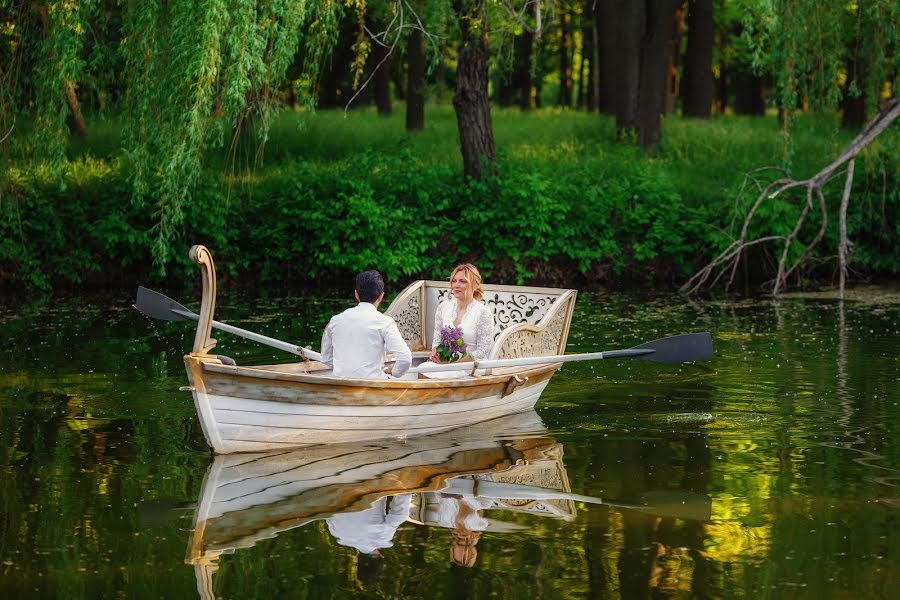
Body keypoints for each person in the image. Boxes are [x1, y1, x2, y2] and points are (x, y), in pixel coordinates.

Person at [320, 270, 412, 379]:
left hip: (340, 382)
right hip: (374, 384)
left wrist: (345, 369)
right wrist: (394, 372)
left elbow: (326, 358)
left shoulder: (335, 320)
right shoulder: (385, 322)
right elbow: (405, 358)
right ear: (381, 297)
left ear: (356, 294)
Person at [418, 263, 494, 379]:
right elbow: (437, 339)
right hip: (446, 362)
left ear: (474, 285)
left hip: (472, 364)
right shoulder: (443, 307)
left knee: (435, 375)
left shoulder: (482, 312)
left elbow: (482, 350)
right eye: (454, 281)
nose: (456, 285)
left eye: (463, 281)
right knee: (422, 369)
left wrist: (453, 364)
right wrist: (435, 352)